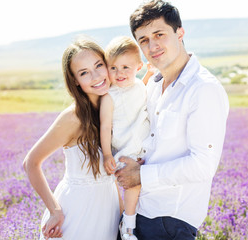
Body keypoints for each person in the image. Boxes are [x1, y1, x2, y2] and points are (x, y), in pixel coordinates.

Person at [115, 1, 230, 239]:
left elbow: (203, 165)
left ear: (180, 33)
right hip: (137, 214)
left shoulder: (203, 89)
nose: (152, 45)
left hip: (170, 223)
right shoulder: (154, 86)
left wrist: (140, 176)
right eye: (143, 40)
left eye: (159, 34)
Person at [22, 37, 121, 240]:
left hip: (107, 211)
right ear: (75, 80)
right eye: (84, 73)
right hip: (76, 212)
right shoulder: (73, 117)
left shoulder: (113, 106)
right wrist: (54, 210)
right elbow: (31, 163)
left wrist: (123, 217)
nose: (96, 76)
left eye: (98, 65)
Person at [100, 36, 152, 240]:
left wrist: (148, 74)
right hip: (125, 148)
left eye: (125, 67)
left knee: (145, 186)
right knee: (133, 185)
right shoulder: (109, 96)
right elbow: (105, 127)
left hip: (143, 144)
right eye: (113, 68)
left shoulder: (139, 85)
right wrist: (106, 154)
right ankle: (128, 226)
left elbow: (141, 92)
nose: (119, 73)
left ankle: (133, 218)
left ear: (138, 66)